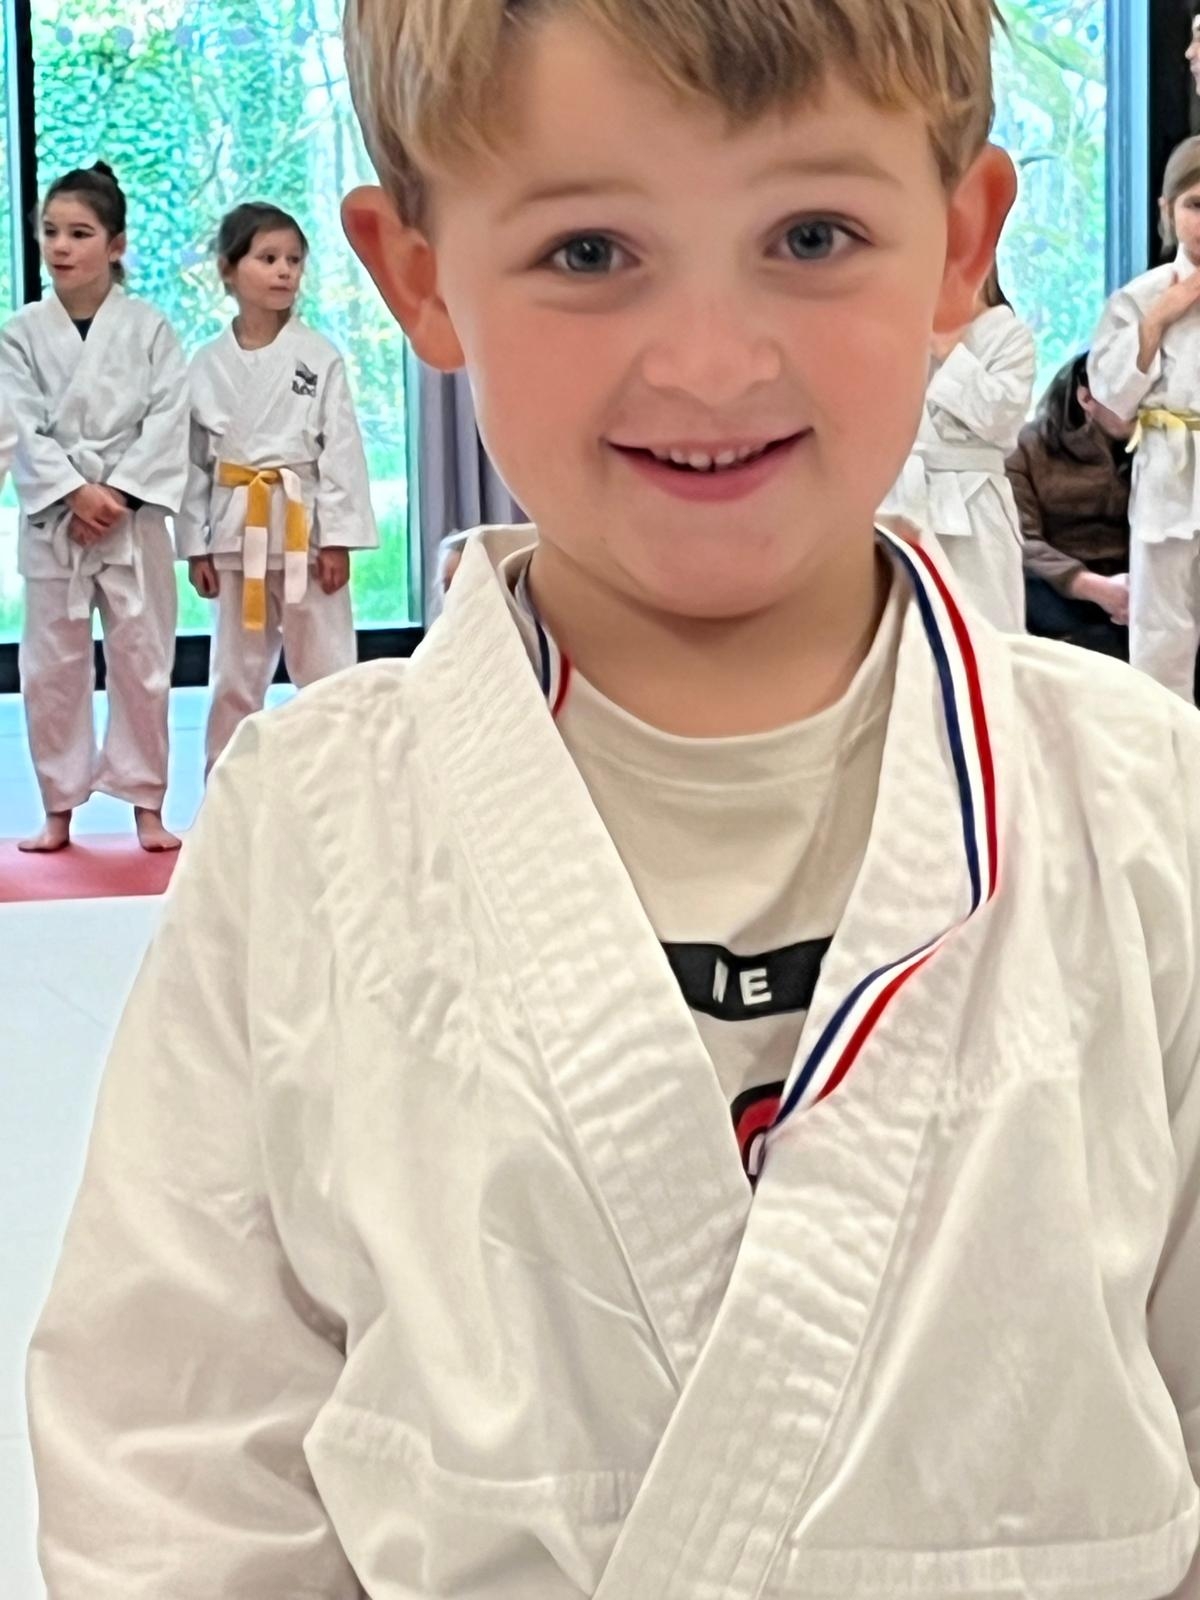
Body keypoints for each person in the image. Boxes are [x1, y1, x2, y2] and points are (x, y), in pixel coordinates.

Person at [27, 4, 1200, 1599]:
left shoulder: (1146, 812)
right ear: (420, 274)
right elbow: (171, 1464)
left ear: (961, 242)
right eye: (589, 252)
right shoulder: (306, 827)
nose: (710, 362)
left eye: (811, 234)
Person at [0, 163, 188, 853]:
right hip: (58, 521)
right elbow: (16, 424)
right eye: (50, 231)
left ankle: (146, 804)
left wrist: (119, 492)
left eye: (80, 233)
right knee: (51, 669)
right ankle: (58, 807)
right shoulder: (20, 332)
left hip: (132, 521)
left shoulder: (150, 328)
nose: (60, 246)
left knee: (144, 663)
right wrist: (74, 491)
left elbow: (170, 417)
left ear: (116, 245)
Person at [177, 202, 378, 770]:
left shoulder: (318, 357)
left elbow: (341, 451)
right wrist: (195, 545)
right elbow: (192, 464)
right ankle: (225, 788)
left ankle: (342, 783)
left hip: (303, 531)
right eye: (267, 259)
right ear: (228, 269)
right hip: (236, 531)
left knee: (328, 669)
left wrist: (337, 538)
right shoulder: (205, 364)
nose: (284, 271)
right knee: (233, 675)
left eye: (293, 260)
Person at [1089, 136, 1200, 702]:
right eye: (1196, 205)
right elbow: (1111, 399)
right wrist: (1156, 322)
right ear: (1167, 209)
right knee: (1161, 632)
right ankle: (1167, 751)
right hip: (1167, 472)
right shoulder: (1140, 298)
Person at [882, 266, 1037, 632]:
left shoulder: (1009, 334)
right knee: (902, 629)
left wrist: (949, 349)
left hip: (975, 502)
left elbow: (1002, 421)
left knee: (987, 625)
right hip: (896, 498)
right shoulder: (894, 330)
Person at [1007, 350, 1132, 655]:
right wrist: (1093, 587)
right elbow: (1021, 540)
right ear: (1086, 398)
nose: (1143, 404)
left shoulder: (1159, 447)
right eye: (1129, 393)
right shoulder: (1025, 447)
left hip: (1137, 584)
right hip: (1056, 587)